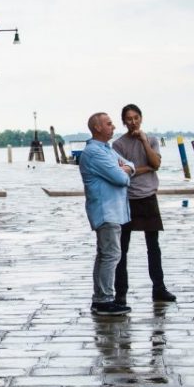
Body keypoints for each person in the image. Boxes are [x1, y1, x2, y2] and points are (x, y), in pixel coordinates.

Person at [111, 104, 176, 304]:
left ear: (141, 118)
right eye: (129, 119)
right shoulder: (118, 145)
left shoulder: (152, 140)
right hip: (127, 199)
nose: (133, 122)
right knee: (122, 248)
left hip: (148, 196)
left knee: (153, 246)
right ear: (124, 121)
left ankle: (159, 287)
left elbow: (155, 164)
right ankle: (120, 292)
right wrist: (144, 167)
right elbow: (122, 171)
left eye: (136, 118)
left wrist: (144, 142)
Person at [78, 112, 135, 316]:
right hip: (106, 210)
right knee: (110, 255)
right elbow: (120, 178)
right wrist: (125, 171)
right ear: (97, 128)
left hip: (114, 211)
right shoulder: (95, 153)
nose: (113, 127)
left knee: (106, 255)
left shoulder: (107, 150)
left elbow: (131, 165)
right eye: (109, 124)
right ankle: (104, 299)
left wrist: (127, 168)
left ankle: (101, 298)